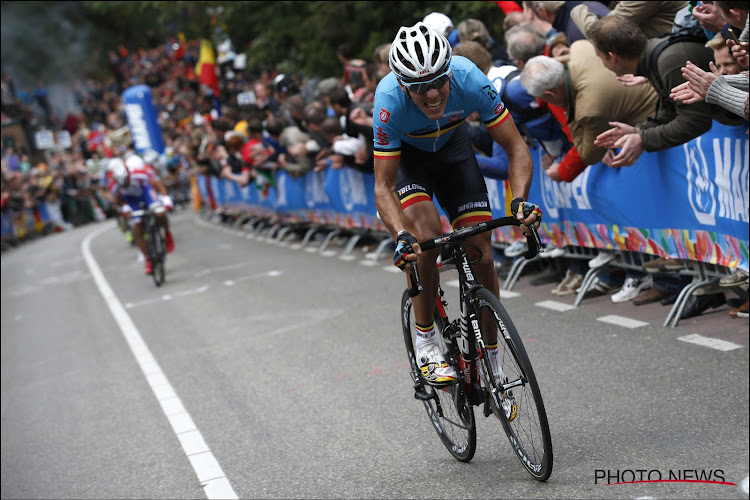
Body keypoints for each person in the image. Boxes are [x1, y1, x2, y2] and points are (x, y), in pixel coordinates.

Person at [372, 22, 540, 386]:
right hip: (410, 160)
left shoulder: (470, 78)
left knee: (482, 251)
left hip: (455, 150)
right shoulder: (387, 102)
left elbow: (515, 147)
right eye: (419, 88)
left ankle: (493, 361)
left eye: (439, 82)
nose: (432, 94)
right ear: (402, 85)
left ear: (451, 71)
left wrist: (521, 201)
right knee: (426, 239)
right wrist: (401, 234)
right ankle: (426, 339)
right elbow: (383, 184)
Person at [110, 156, 173, 275]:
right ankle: (148, 258)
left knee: (159, 213)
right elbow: (118, 198)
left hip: (145, 193)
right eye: (123, 185)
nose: (125, 185)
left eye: (127, 183)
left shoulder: (140, 174)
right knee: (137, 228)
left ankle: (167, 232)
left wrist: (166, 198)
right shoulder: (114, 186)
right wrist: (125, 207)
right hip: (131, 201)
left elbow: (157, 184)